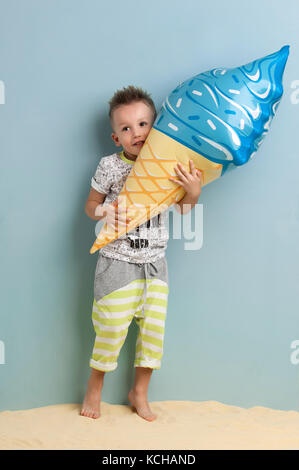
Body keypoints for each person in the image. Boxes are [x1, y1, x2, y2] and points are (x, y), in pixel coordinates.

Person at [81, 85, 202, 421]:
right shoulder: (109, 167)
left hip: (155, 264)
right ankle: (95, 386)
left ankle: (140, 392)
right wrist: (103, 211)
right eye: (126, 128)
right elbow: (91, 205)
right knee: (111, 328)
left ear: (156, 126)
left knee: (152, 333)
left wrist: (192, 192)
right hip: (116, 263)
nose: (136, 133)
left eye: (143, 124)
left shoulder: (167, 164)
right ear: (116, 137)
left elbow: (183, 209)